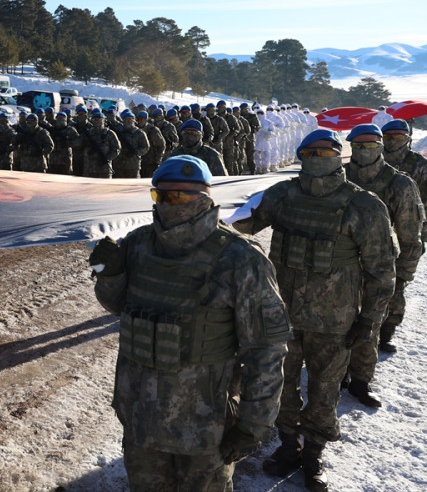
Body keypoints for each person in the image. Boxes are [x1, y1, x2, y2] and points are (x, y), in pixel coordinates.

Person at [91, 155, 290, 491]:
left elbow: (266, 349)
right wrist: (110, 276)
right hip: (142, 418)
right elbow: (122, 308)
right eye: (161, 196)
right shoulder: (139, 244)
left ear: (205, 197)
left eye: (180, 196)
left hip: (204, 428)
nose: (170, 204)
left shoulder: (240, 258)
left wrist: (253, 424)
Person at [234, 129, 395, 491]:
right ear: (301, 156)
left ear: (339, 156)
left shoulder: (363, 206)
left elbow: (382, 270)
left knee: (324, 391)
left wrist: (369, 319)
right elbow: (240, 227)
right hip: (281, 317)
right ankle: (289, 446)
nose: (317, 159)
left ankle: (313, 454)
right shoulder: (282, 194)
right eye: (310, 153)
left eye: (325, 153)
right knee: (282, 387)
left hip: (334, 322)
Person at [342, 124, 424, 406]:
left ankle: (361, 381)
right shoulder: (338, 177)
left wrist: (402, 275)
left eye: (370, 145)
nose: (364, 151)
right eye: (358, 146)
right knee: (337, 326)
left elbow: (410, 235)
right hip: (340, 268)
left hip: (381, 268)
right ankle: (339, 373)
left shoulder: (399, 184)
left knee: (369, 326)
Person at [380, 119, 427, 354]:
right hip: (374, 235)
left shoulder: (420, 165)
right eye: (388, 138)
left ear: (408, 139)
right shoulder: (371, 160)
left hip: (406, 236)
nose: (392, 143)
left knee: (397, 286)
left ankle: (387, 332)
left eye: (398, 138)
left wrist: (422, 235)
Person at [82, 109, 120, 179]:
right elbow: (80, 143)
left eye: (99, 120)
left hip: (104, 170)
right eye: (95, 120)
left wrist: (107, 158)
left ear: (103, 121)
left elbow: (116, 149)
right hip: (90, 169)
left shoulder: (109, 133)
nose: (97, 122)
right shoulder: (88, 133)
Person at [111, 109, 149, 178]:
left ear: (134, 120)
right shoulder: (119, 132)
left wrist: (135, 152)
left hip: (133, 166)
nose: (128, 122)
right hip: (119, 165)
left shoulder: (139, 133)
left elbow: (146, 147)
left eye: (130, 120)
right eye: (126, 120)